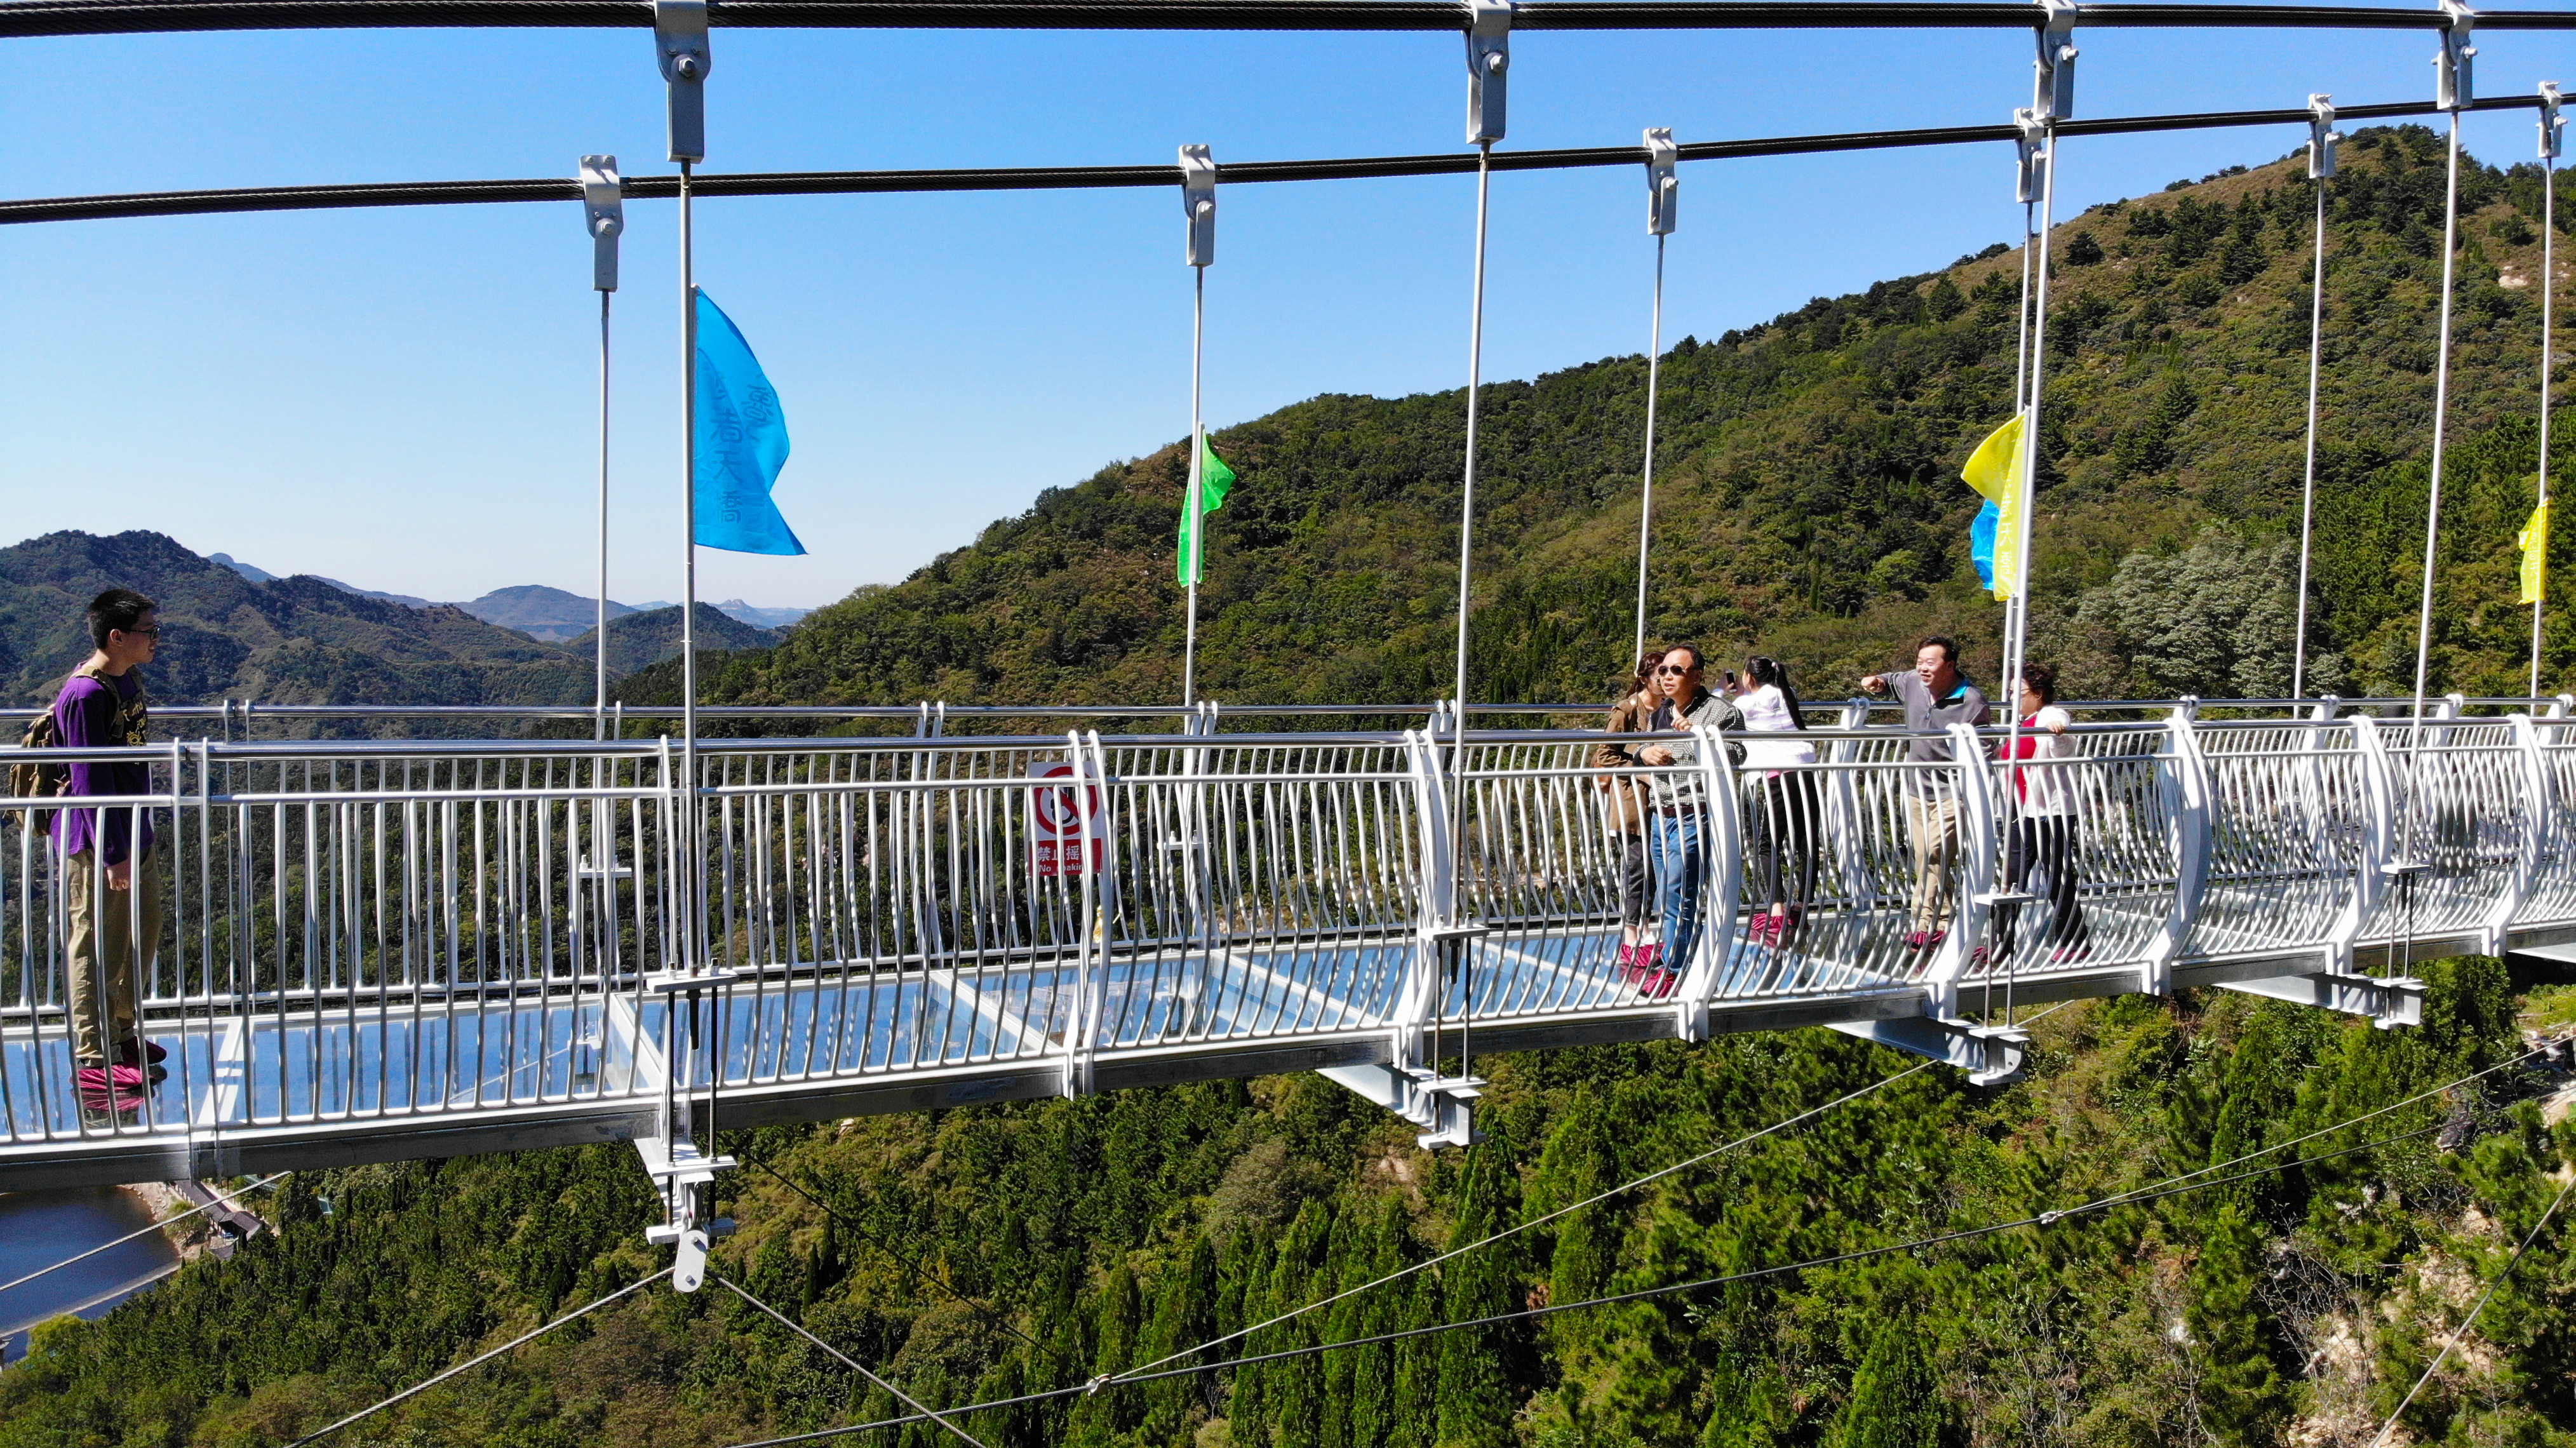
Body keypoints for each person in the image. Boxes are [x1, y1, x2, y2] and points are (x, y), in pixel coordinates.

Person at [55, 588, 164, 1112]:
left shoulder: (126, 680)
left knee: (140, 936)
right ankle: (94, 1060)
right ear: (117, 636)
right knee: (95, 943)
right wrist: (113, 852)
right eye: (149, 630)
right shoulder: (84, 695)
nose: (156, 639)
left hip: (133, 830)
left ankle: (122, 1034)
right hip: (98, 841)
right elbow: (87, 778)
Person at [1607, 645, 1743, 994]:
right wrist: (1643, 753)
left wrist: (1698, 738)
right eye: (1664, 670)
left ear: (1697, 676)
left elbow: (1738, 753)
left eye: (1677, 671)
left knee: (1680, 894)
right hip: (1660, 813)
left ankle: (1676, 969)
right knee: (1667, 895)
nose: (1667, 677)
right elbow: (1641, 752)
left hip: (1694, 812)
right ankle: (1674, 961)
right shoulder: (1660, 714)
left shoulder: (1720, 713)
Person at [1858, 635, 1992, 952]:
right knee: (1928, 858)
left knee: (1936, 853)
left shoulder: (1972, 700)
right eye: (1919, 662)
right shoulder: (1913, 682)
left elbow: (1985, 747)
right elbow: (1892, 680)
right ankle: (1943, 923)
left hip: (1954, 790)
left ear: (1950, 666)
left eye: (1930, 663)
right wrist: (1876, 681)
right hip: (1919, 787)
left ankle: (1922, 923)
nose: (1922, 669)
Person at [1989, 662, 2089, 966]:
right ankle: (2001, 946)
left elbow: (2063, 742)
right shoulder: (2022, 722)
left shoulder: (2048, 716)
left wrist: (2058, 732)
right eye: (2009, 693)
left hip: (2050, 813)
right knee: (2011, 879)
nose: (2011, 698)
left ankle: (2075, 942)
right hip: (2021, 812)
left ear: (2038, 693)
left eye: (2017, 692)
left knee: (2056, 877)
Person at [1736, 655, 1819, 949]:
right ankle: (1802, 907)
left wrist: (1727, 690)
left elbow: (1725, 713)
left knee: (1767, 843)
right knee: (1805, 841)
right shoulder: (1787, 694)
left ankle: (1775, 910)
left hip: (1775, 776)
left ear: (1750, 678)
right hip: (1806, 771)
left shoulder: (1745, 704)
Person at [1592, 650, 1665, 975]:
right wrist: (1638, 765)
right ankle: (1631, 932)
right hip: (1632, 802)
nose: (1665, 680)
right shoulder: (1626, 711)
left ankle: (1647, 926)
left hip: (1662, 801)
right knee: (1637, 867)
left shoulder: (1671, 709)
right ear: (1644, 679)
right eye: (1659, 674)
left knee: (1655, 867)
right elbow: (1604, 755)